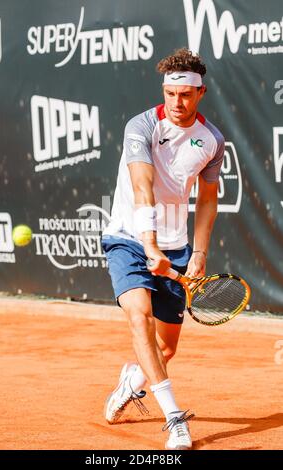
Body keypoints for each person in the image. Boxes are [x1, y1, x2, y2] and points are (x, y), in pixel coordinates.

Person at [101, 47, 225, 450]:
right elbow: (142, 187)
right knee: (140, 318)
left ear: (201, 93)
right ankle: (175, 420)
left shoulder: (212, 141)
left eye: (185, 95)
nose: (177, 102)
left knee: (166, 348)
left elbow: (208, 199)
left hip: (177, 247)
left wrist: (200, 254)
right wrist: (148, 243)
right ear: (164, 90)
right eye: (170, 93)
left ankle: (132, 382)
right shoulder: (141, 127)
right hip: (129, 237)